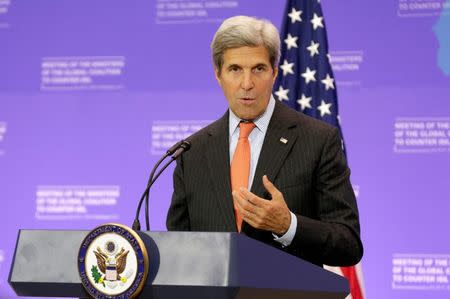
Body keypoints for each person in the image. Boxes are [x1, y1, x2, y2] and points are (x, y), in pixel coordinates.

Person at [166, 16, 363, 267]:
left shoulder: (318, 140)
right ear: (218, 75)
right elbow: (178, 249)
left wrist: (288, 225)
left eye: (258, 69)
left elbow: (348, 244)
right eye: (235, 69)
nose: (247, 84)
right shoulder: (192, 151)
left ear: (274, 73)